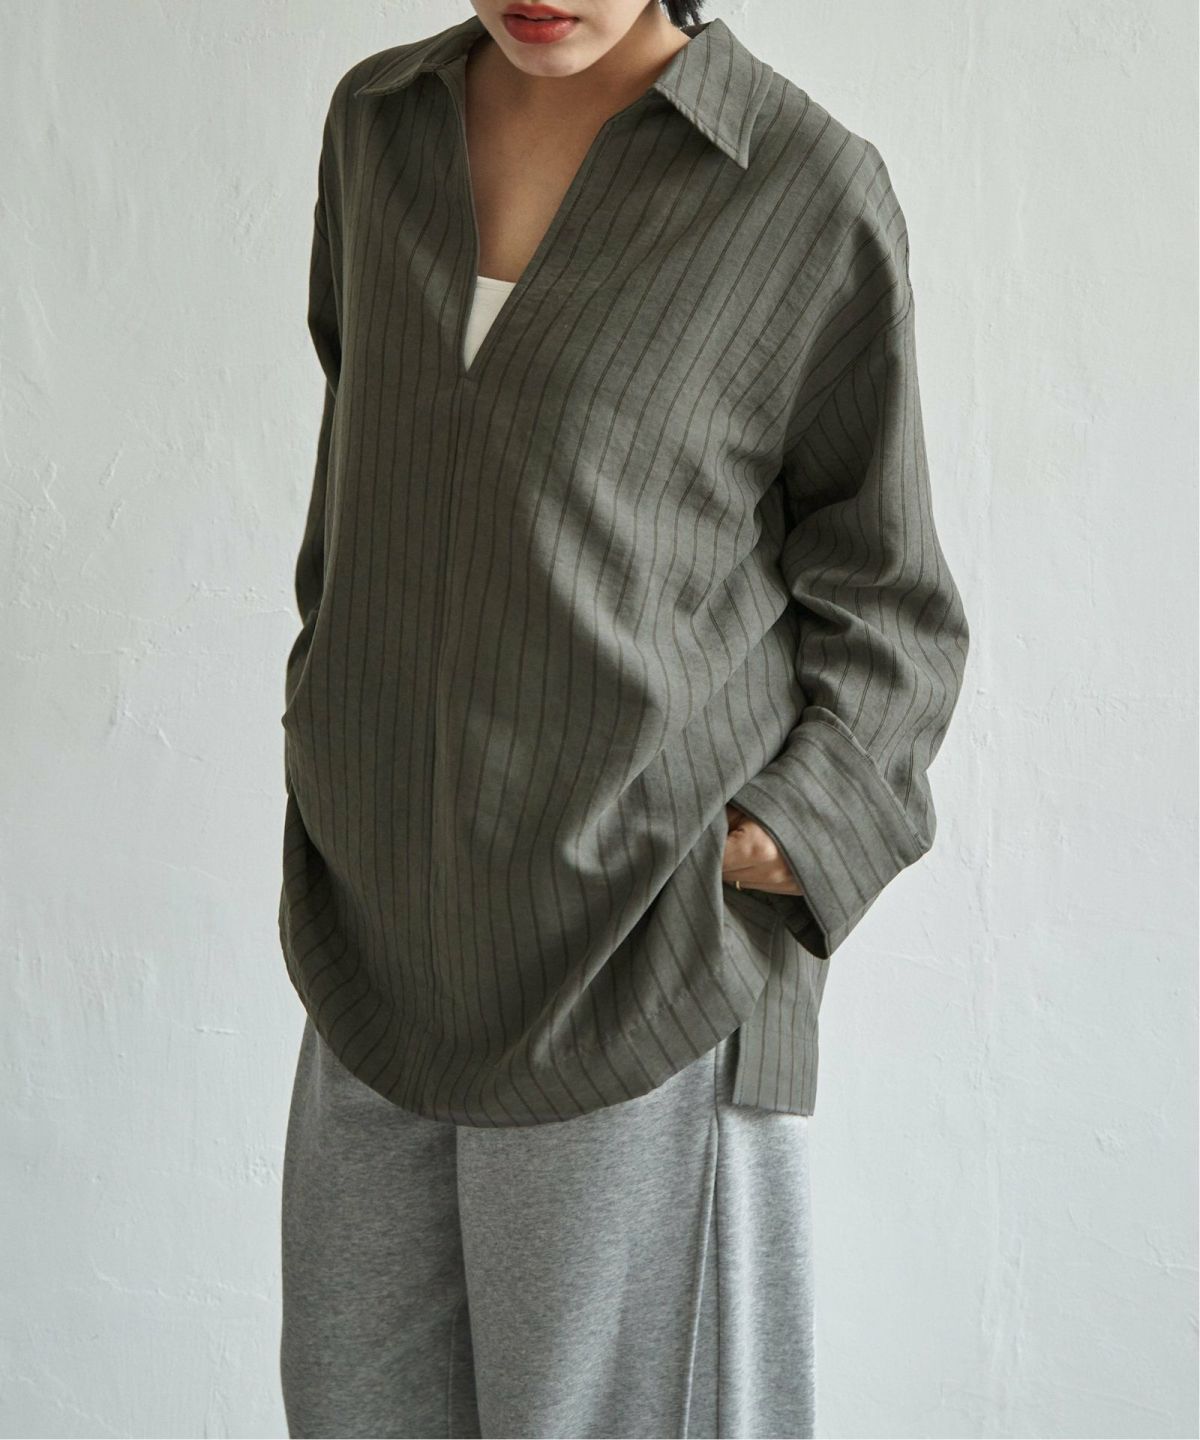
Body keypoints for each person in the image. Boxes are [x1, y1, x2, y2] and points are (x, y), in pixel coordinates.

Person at [276, 1, 970, 1435]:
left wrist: (787, 838)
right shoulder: (379, 129)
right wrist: (330, 726)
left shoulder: (801, 188)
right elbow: (364, 480)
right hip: (376, 947)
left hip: (645, 963)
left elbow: (890, 600)